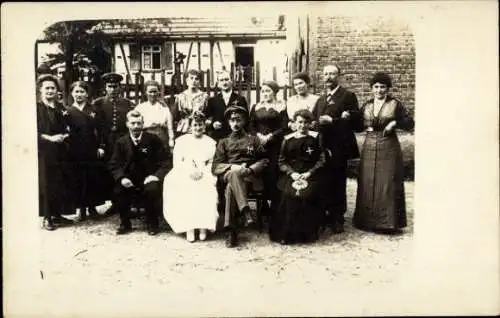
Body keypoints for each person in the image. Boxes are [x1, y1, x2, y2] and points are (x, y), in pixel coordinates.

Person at [353, 72, 414, 234]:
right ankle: (366, 221)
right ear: (372, 88)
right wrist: (348, 117)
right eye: (376, 87)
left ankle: (388, 222)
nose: (379, 90)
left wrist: (395, 122)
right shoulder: (367, 105)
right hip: (370, 144)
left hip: (388, 145)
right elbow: (357, 125)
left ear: (387, 88)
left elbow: (409, 122)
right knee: (367, 180)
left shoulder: (395, 104)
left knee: (387, 181)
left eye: (383, 87)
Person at [212, 105, 270, 247]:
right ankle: (246, 211)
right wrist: (233, 167)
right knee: (233, 174)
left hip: (248, 176)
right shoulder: (223, 142)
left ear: (244, 121)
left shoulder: (253, 140)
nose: (235, 123)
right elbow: (215, 166)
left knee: (231, 189)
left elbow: (264, 160)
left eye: (238, 119)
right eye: (232, 120)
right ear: (228, 122)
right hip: (228, 173)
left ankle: (230, 232)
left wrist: (250, 169)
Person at [312, 64, 361, 233]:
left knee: (338, 180)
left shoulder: (347, 96)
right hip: (323, 145)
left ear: (339, 75)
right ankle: (325, 213)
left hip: (340, 145)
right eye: (325, 74)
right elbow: (313, 120)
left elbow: (357, 121)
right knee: (323, 179)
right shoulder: (321, 99)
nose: (328, 77)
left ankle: (337, 216)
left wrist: (334, 121)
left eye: (332, 73)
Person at [108, 110, 171, 236]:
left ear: (143, 124)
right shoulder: (121, 142)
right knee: (118, 190)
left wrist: (156, 176)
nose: (136, 126)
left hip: (148, 178)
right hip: (129, 179)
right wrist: (121, 178)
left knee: (152, 189)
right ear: (127, 124)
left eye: (138, 123)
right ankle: (125, 223)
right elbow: (114, 164)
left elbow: (165, 161)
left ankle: (152, 223)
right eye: (133, 123)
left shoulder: (153, 139)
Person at [270, 109, 326, 244]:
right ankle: (286, 235)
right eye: (300, 122)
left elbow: (322, 159)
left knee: (305, 195)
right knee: (287, 195)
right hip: (292, 174)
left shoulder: (316, 137)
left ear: (310, 124)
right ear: (294, 123)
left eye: (306, 122)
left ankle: (306, 234)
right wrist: (292, 173)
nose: (303, 125)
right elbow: (281, 161)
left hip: (310, 174)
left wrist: (309, 173)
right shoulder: (287, 139)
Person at [163, 112, 218, 242]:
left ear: (205, 126)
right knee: (185, 187)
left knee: (205, 187)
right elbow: (177, 162)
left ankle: (203, 227)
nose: (198, 128)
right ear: (190, 126)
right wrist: (189, 172)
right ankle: (190, 227)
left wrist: (202, 172)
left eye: (200, 125)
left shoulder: (210, 142)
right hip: (184, 171)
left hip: (204, 171)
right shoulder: (181, 141)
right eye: (195, 125)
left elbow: (211, 162)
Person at [92, 72, 135, 215]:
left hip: (122, 141)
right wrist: (100, 144)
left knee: (124, 169)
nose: (112, 89)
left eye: (115, 86)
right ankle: (113, 202)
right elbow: (96, 126)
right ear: (105, 87)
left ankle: (124, 202)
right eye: (110, 86)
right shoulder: (98, 103)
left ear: (119, 87)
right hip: (107, 142)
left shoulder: (128, 104)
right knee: (109, 171)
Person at [36, 74, 74, 230]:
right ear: (40, 90)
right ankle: (47, 217)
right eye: (47, 88)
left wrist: (64, 135)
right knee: (46, 183)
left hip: (60, 151)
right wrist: (50, 138)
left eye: (53, 88)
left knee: (59, 182)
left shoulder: (60, 108)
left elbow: (69, 127)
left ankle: (58, 214)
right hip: (44, 151)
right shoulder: (36, 108)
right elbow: (32, 131)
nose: (50, 91)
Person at [66, 81, 107, 221]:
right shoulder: (67, 111)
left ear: (87, 94)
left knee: (92, 177)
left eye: (82, 92)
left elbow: (102, 130)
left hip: (92, 148)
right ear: (71, 93)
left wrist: (101, 146)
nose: (79, 94)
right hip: (75, 150)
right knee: (79, 178)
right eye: (76, 91)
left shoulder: (94, 110)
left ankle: (92, 207)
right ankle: (81, 209)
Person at [248, 80, 289, 222]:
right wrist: (258, 136)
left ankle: (275, 206)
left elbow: (284, 127)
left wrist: (270, 136)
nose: (265, 93)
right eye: (263, 91)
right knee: (260, 173)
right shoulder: (256, 106)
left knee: (274, 173)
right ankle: (263, 204)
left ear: (275, 92)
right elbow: (251, 125)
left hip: (275, 145)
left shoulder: (281, 106)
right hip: (259, 145)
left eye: (268, 91)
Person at [205, 70, 249, 141]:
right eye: (221, 80)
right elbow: (206, 119)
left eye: (226, 79)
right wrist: (213, 124)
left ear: (231, 81)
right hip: (219, 137)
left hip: (236, 138)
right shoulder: (212, 100)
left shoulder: (240, 99)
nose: (224, 82)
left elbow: (246, 119)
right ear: (218, 83)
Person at [135, 80, 175, 151]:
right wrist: (147, 125)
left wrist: (171, 142)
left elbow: (170, 127)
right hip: (145, 140)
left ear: (158, 92)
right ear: (145, 93)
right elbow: (135, 125)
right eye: (150, 92)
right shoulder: (140, 108)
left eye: (155, 91)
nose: (153, 94)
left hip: (161, 140)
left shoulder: (164, 108)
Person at [171, 69, 209, 137]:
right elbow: (175, 116)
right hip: (184, 129)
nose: (194, 81)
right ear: (187, 81)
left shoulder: (204, 97)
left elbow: (209, 114)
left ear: (199, 82)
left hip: (199, 128)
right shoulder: (180, 97)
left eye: (196, 79)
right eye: (191, 78)